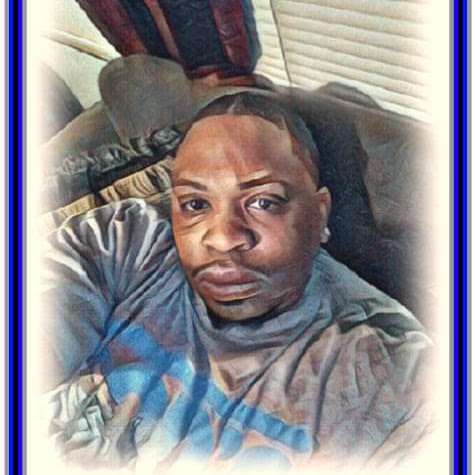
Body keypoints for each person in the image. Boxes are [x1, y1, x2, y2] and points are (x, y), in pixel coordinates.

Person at [43, 92, 432, 473]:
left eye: (264, 202)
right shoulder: (125, 240)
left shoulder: (392, 374)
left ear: (319, 213)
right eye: (196, 204)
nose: (223, 238)